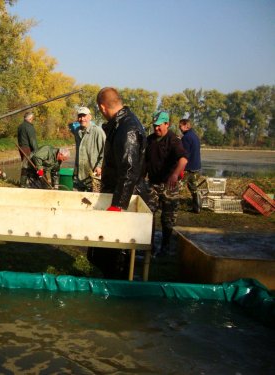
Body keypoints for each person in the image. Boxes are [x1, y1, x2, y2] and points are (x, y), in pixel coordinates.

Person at [88, 87, 155, 278]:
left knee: (119, 253)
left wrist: (118, 205)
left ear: (102, 107)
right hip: (121, 192)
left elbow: (129, 170)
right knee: (104, 252)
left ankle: (120, 287)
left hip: (129, 196)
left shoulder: (128, 129)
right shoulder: (121, 125)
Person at [146, 111, 188, 257]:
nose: (156, 128)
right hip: (152, 184)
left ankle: (165, 246)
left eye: (159, 126)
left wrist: (175, 174)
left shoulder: (174, 140)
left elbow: (183, 159)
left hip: (169, 185)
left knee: (168, 218)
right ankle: (148, 246)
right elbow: (144, 161)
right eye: (154, 126)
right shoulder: (150, 140)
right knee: (148, 215)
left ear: (167, 124)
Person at [70, 107, 106, 191]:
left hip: (93, 174)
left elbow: (105, 151)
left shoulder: (97, 131)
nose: (82, 119)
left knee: (93, 199)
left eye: (84, 116)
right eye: (80, 116)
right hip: (80, 174)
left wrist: (99, 166)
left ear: (90, 117)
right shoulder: (77, 131)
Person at [179, 118, 202, 213]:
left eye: (180, 126)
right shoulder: (195, 136)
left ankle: (172, 206)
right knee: (194, 188)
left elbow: (184, 153)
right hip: (196, 166)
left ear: (186, 126)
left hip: (187, 167)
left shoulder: (186, 138)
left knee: (177, 187)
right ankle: (197, 207)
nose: (179, 129)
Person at [18, 111, 39, 187]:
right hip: (27, 148)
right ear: (30, 118)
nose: (32, 120)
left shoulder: (20, 126)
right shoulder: (29, 127)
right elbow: (32, 140)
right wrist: (37, 151)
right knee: (28, 165)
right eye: (32, 118)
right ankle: (23, 184)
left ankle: (27, 182)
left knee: (26, 164)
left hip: (21, 147)